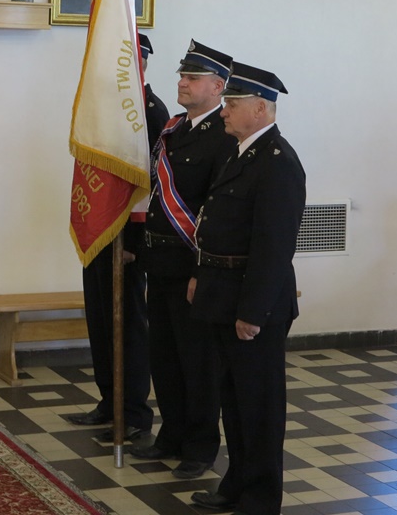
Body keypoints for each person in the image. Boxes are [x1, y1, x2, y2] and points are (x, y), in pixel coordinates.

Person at [188, 62, 306, 515]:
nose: (223, 111)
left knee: (259, 406)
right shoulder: (240, 153)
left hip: (254, 305)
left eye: (232, 104)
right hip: (223, 293)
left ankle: (260, 497)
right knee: (233, 401)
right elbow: (216, 224)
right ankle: (236, 482)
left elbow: (273, 247)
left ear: (260, 109)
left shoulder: (278, 163)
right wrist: (200, 275)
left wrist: (253, 313)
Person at [129, 40, 236, 480]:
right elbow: (156, 195)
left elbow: (217, 210)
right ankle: (171, 435)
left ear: (218, 87)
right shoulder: (175, 128)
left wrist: (200, 270)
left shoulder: (224, 137)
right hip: (159, 260)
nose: (182, 82)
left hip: (192, 265)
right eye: (182, 75)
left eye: (192, 77)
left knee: (198, 361)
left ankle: (200, 445)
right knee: (165, 356)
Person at [63, 34, 167, 441]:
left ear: (137, 64)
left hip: (130, 241)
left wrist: (137, 246)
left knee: (129, 328)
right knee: (101, 322)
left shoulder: (151, 112)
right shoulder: (103, 112)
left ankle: (134, 412)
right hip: (101, 235)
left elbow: (153, 185)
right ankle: (110, 401)